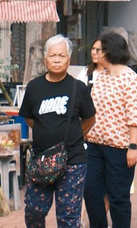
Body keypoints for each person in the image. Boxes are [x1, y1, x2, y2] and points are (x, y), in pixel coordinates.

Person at [19, 35, 96, 228]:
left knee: (68, 216)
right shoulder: (35, 86)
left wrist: (73, 136)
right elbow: (29, 117)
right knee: (34, 210)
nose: (56, 59)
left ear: (69, 60)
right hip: (41, 160)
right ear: (45, 58)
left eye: (61, 55)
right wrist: (46, 131)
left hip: (73, 160)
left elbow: (89, 119)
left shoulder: (78, 88)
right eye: (52, 55)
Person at [84, 32, 137, 228]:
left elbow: (134, 115)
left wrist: (133, 146)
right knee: (91, 191)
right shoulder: (101, 77)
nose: (96, 53)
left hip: (120, 148)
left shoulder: (130, 78)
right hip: (95, 145)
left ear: (110, 51)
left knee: (118, 197)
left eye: (99, 50)